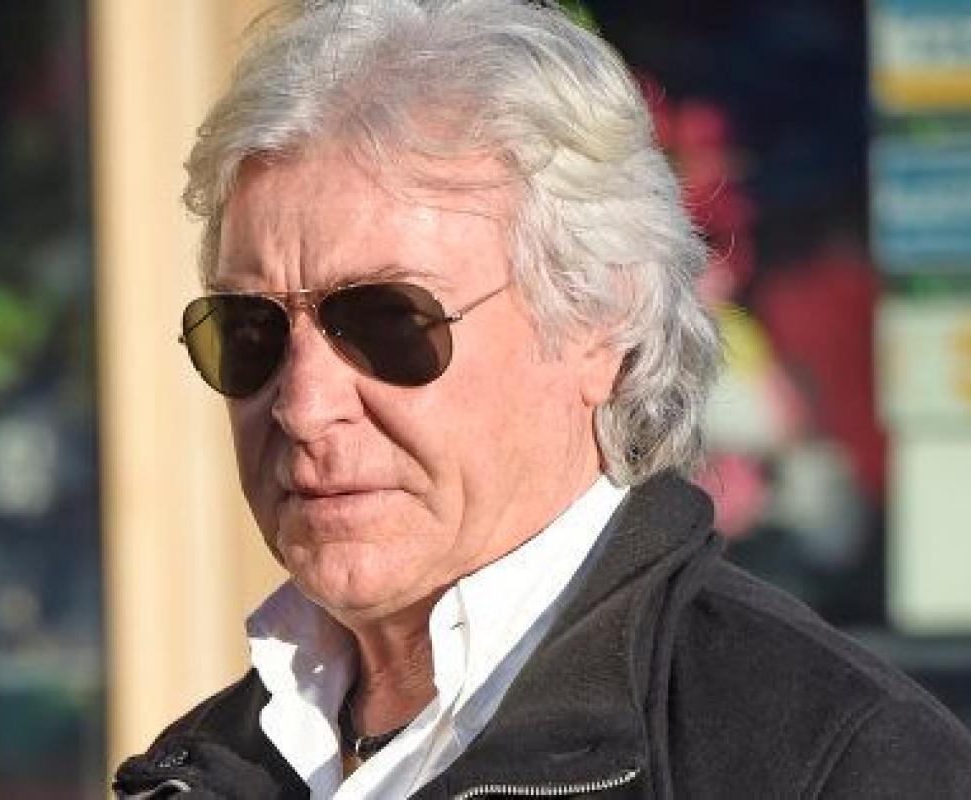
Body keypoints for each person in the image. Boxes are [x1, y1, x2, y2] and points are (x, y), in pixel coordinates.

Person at [113, 1, 971, 797]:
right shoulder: (204, 764)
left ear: (598, 325)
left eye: (386, 322)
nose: (303, 405)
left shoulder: (836, 763)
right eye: (251, 330)